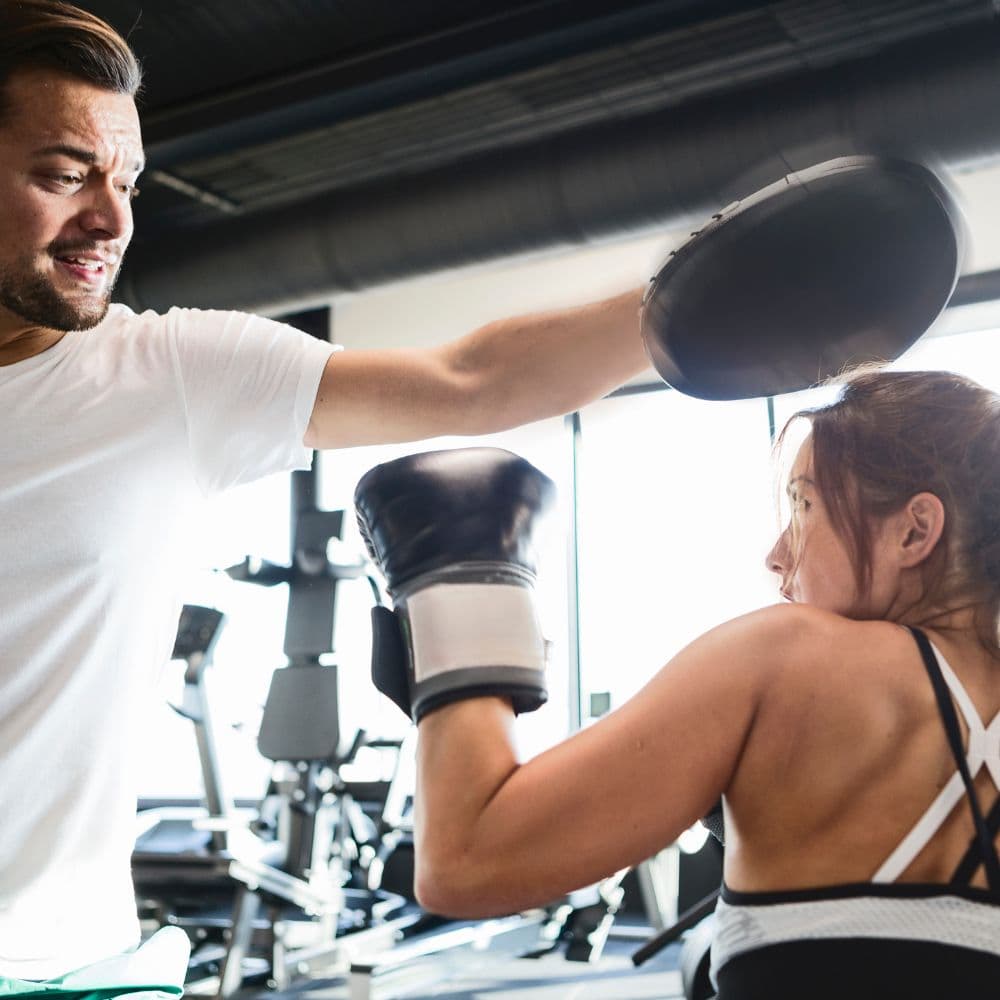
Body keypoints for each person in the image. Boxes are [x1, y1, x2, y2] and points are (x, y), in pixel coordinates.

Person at [0, 0, 651, 984]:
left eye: (126, 181)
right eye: (63, 176)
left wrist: (697, 296)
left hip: (70, 966)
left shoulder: (168, 374)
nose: (113, 219)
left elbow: (473, 380)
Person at [355, 367, 1000, 998]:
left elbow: (465, 863)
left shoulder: (788, 656)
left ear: (914, 530)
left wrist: (460, 632)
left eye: (804, 504)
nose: (776, 553)